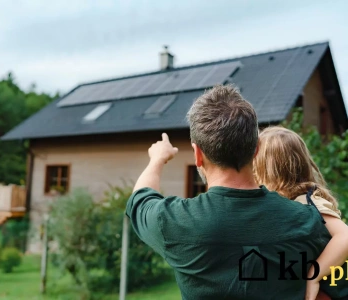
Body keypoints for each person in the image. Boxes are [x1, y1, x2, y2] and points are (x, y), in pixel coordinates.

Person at [125, 84, 339, 299]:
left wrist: (158, 159)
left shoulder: (172, 221)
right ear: (255, 149)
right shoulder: (308, 221)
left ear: (197, 155)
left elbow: (140, 197)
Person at [253, 126, 348, 300]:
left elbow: (345, 236)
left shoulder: (308, 202)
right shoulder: (288, 203)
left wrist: (314, 276)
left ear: (266, 169)